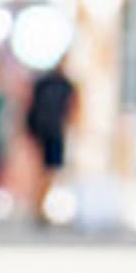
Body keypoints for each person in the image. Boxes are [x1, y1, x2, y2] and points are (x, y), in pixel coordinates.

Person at [23, 60, 78, 223]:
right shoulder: (64, 85)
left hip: (44, 132)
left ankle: (39, 206)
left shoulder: (43, 84)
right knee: (49, 171)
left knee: (46, 172)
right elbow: (73, 108)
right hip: (53, 132)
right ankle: (39, 207)